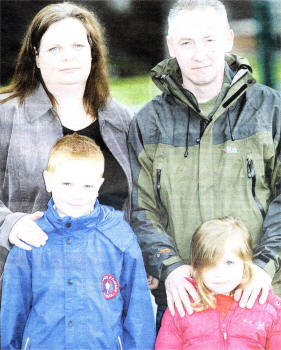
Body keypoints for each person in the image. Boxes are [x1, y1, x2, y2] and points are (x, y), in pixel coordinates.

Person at [128, 0, 281, 329]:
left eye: (209, 40)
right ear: (171, 46)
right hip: (185, 305)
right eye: (186, 42)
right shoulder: (148, 122)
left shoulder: (270, 109)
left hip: (262, 300)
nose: (199, 54)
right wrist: (169, 267)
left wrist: (264, 266)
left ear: (228, 40)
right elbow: (140, 209)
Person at [0, 2, 131, 276]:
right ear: (36, 57)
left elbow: (139, 204)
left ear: (93, 53)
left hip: (105, 287)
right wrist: (9, 224)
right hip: (27, 285)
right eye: (54, 49)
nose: (67, 57)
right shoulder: (6, 114)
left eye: (77, 46)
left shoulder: (121, 120)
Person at [1, 133, 156, 350]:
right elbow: (12, 311)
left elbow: (138, 309)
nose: (77, 195)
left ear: (99, 185)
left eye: (87, 186)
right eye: (67, 183)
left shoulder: (118, 235)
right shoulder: (31, 237)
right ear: (48, 180)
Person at [155, 217, 281, 349]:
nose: (219, 273)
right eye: (209, 264)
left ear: (246, 264)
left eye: (229, 263)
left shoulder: (268, 307)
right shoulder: (183, 305)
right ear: (195, 267)